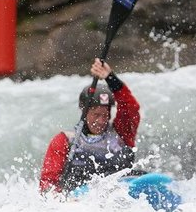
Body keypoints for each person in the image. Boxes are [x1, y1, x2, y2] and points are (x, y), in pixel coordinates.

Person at [39, 58, 140, 194]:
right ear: (84, 111)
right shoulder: (65, 141)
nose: (100, 121)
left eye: (105, 115)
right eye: (96, 114)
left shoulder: (121, 133)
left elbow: (130, 108)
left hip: (118, 195)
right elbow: (48, 181)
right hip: (81, 200)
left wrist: (111, 78)